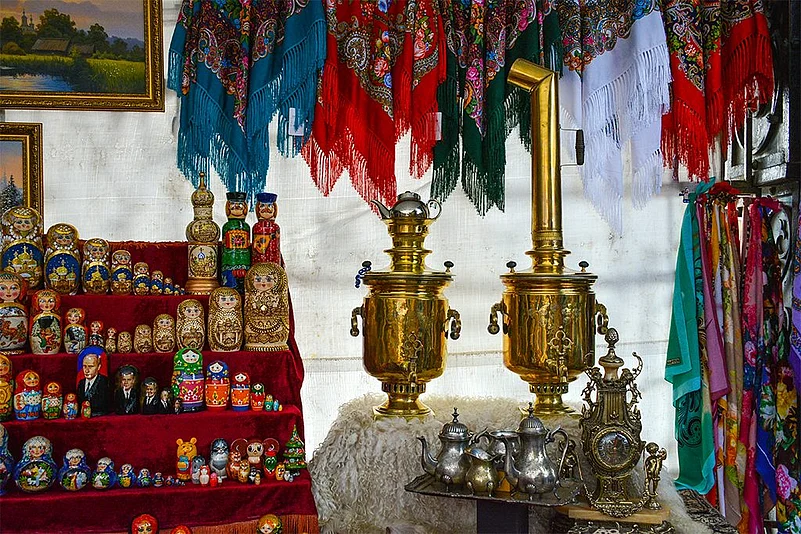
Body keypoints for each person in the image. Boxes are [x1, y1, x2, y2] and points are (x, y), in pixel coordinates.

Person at [76, 351, 109, 416]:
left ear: (98, 367)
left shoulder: (104, 382)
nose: (87, 370)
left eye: (90, 366)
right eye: (84, 366)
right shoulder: (81, 383)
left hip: (98, 414)